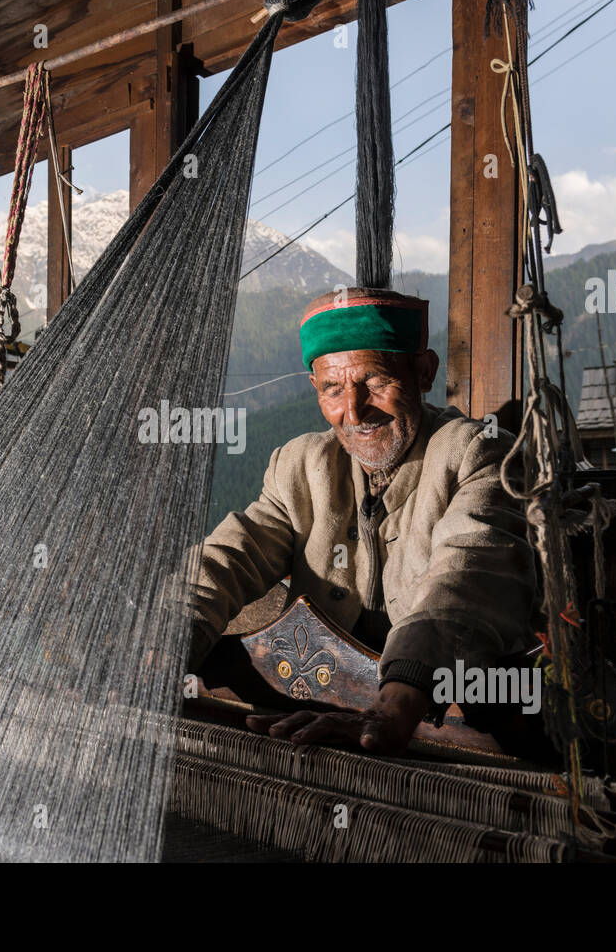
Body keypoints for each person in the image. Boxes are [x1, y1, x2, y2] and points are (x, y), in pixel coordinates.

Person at [186, 287, 537, 755]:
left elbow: (466, 580)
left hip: (454, 727)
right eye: (333, 388)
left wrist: (392, 711)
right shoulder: (301, 466)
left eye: (375, 381)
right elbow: (231, 558)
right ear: (315, 388)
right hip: (331, 714)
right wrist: (165, 640)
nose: (353, 411)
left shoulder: (478, 455)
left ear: (424, 371)